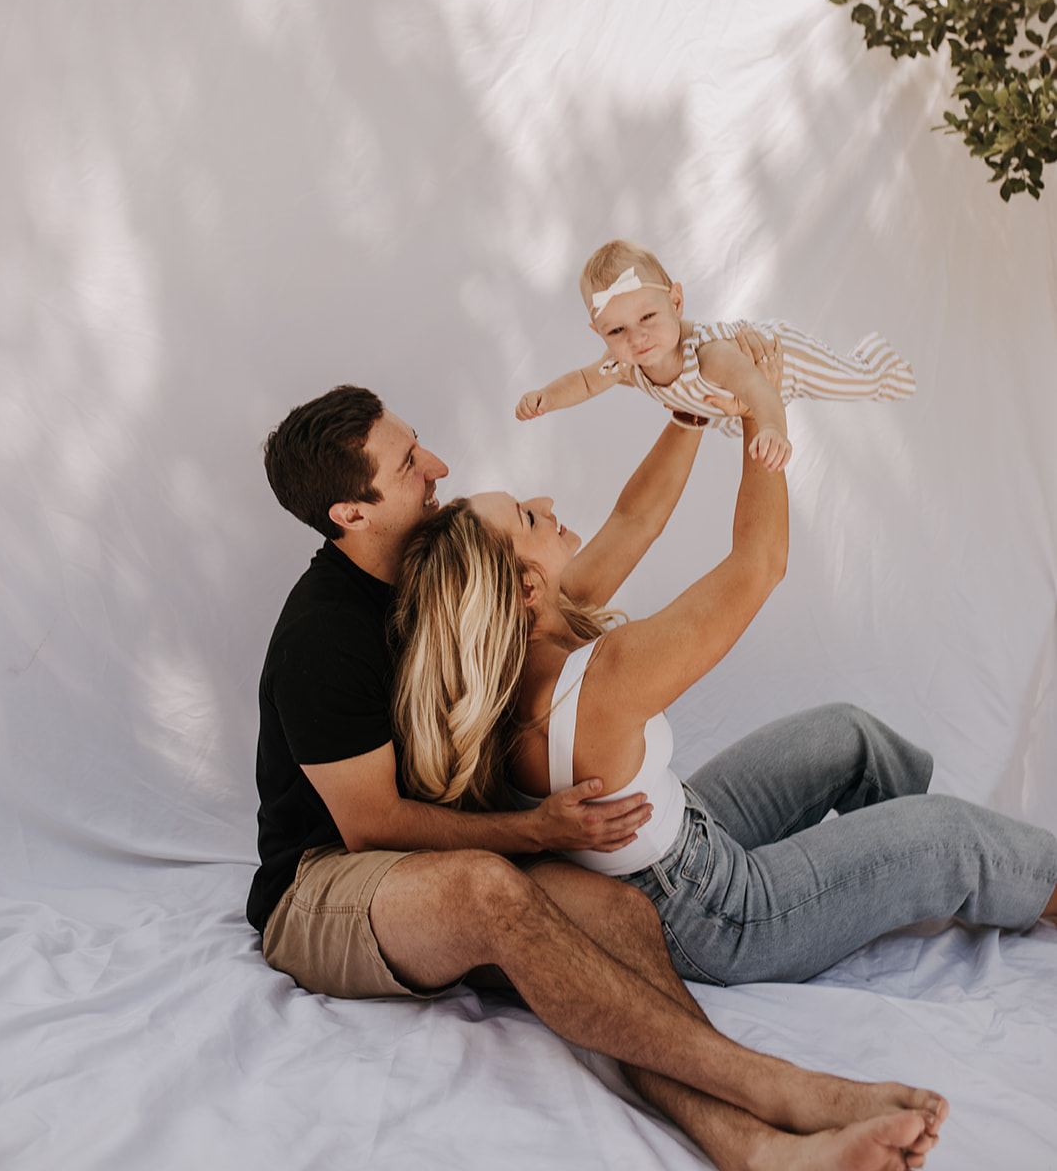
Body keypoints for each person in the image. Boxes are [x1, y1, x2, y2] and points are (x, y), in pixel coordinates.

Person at [250, 381, 948, 1171]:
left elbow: (624, 529)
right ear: (351, 513)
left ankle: (751, 1147)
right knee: (487, 889)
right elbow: (370, 827)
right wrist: (532, 829)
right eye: (410, 462)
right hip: (324, 884)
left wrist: (688, 403)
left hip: (436, 862)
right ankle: (779, 1089)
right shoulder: (325, 638)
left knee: (620, 915)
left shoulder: (450, 576)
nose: (436, 464)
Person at [394, 385, 1057, 992]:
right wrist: (762, 418)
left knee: (847, 735)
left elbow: (634, 518)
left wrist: (689, 412)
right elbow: (759, 564)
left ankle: (906, 873)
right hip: (723, 919)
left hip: (683, 837)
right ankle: (980, 868)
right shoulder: (603, 680)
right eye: (526, 518)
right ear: (524, 589)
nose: (544, 504)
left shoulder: (511, 655)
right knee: (949, 838)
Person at [515, 238, 915, 470]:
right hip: (732, 396)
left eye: (648, 316)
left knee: (849, 382)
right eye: (617, 330)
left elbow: (758, 388)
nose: (636, 338)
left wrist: (774, 428)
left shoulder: (708, 356)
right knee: (734, 414)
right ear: (598, 333)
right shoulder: (621, 363)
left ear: (677, 301)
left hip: (777, 359)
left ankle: (880, 366)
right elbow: (584, 382)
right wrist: (547, 398)